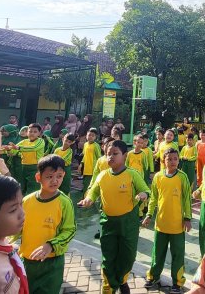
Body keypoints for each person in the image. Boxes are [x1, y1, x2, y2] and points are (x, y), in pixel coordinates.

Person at [78, 140, 150, 294]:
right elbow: (94, 191)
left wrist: (143, 194)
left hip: (128, 223)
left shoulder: (132, 174)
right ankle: (109, 285)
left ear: (124, 155)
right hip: (108, 223)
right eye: (107, 154)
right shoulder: (103, 175)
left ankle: (121, 280)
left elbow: (145, 189)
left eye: (115, 154)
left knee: (127, 256)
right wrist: (88, 199)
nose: (110, 157)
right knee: (108, 256)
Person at [19, 155, 76, 294]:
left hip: (52, 263)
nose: (55, 180)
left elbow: (70, 230)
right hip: (27, 260)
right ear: (38, 177)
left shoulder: (64, 202)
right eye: (50, 176)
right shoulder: (26, 201)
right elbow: (17, 227)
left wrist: (51, 245)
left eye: (59, 176)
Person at [142, 148, 192, 293]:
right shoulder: (158, 177)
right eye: (169, 159)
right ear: (163, 160)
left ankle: (177, 282)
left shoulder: (182, 177)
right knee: (157, 253)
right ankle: (153, 277)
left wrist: (187, 218)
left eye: (175, 159)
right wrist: (149, 214)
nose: (172, 162)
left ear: (178, 160)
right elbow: (153, 199)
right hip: (161, 224)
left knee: (177, 255)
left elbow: (187, 199)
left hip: (177, 225)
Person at [8, 123, 46, 194]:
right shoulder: (24, 141)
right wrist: (8, 149)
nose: (32, 133)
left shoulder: (40, 141)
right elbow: (14, 150)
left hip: (35, 167)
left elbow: (33, 148)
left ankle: (32, 202)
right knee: (22, 186)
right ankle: (22, 202)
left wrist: (18, 148)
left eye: (35, 132)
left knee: (33, 187)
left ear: (39, 133)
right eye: (30, 131)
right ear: (27, 133)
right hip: (24, 166)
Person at [81, 129, 103, 196]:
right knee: (85, 184)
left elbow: (99, 157)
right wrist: (81, 164)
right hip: (86, 169)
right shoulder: (85, 144)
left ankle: (89, 198)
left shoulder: (96, 146)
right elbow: (84, 155)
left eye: (92, 136)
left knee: (91, 184)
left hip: (93, 169)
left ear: (95, 137)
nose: (90, 137)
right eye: (89, 135)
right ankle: (85, 198)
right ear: (86, 136)